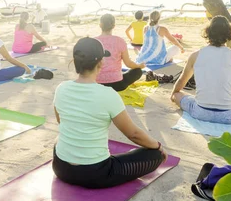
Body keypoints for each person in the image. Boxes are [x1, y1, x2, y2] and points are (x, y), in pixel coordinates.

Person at [52, 37, 167, 188]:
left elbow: (61, 121)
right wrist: (158, 146)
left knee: (59, 138)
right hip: (96, 174)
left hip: (61, 168)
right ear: (101, 62)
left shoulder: (61, 88)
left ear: (74, 61)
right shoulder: (108, 94)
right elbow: (133, 134)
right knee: (155, 156)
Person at [96, 14, 145, 92]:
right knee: (138, 71)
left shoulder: (94, 41)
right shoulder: (120, 41)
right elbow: (128, 63)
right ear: (114, 26)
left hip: (98, 84)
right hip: (118, 85)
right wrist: (139, 66)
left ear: (100, 25)